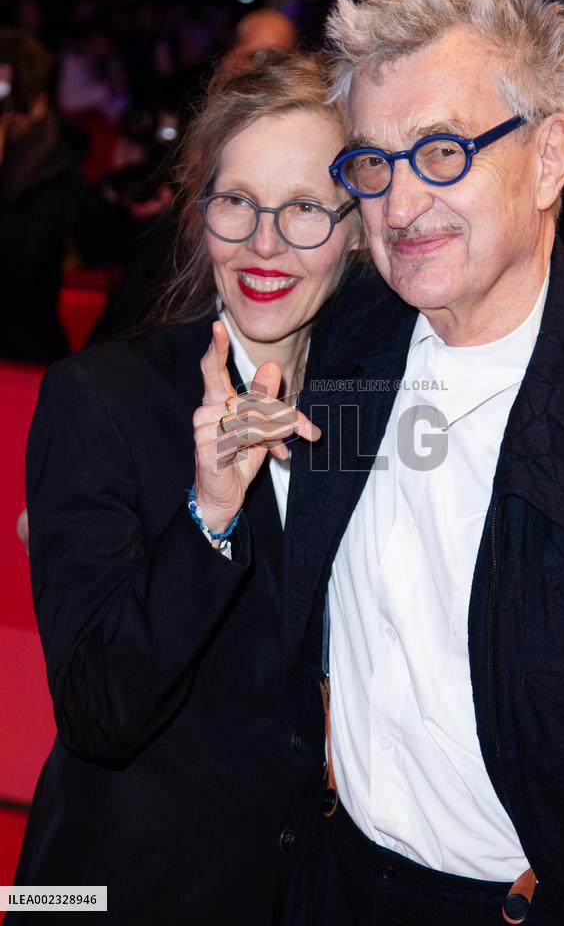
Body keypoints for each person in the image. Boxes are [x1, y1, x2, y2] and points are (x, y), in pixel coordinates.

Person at [282, 0, 564, 925]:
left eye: (443, 151)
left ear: (549, 156)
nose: (400, 208)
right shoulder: (346, 345)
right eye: (372, 162)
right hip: (328, 877)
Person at [9, 51, 359, 925]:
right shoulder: (102, 398)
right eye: (236, 201)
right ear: (199, 209)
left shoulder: (371, 413)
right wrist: (210, 512)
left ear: (359, 227)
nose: (264, 243)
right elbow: (98, 714)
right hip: (96, 895)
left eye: (307, 209)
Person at [0, 27, 81, 363]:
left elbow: (18, 272)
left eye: (10, 99)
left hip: (21, 344)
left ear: (38, 104)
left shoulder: (57, 168)